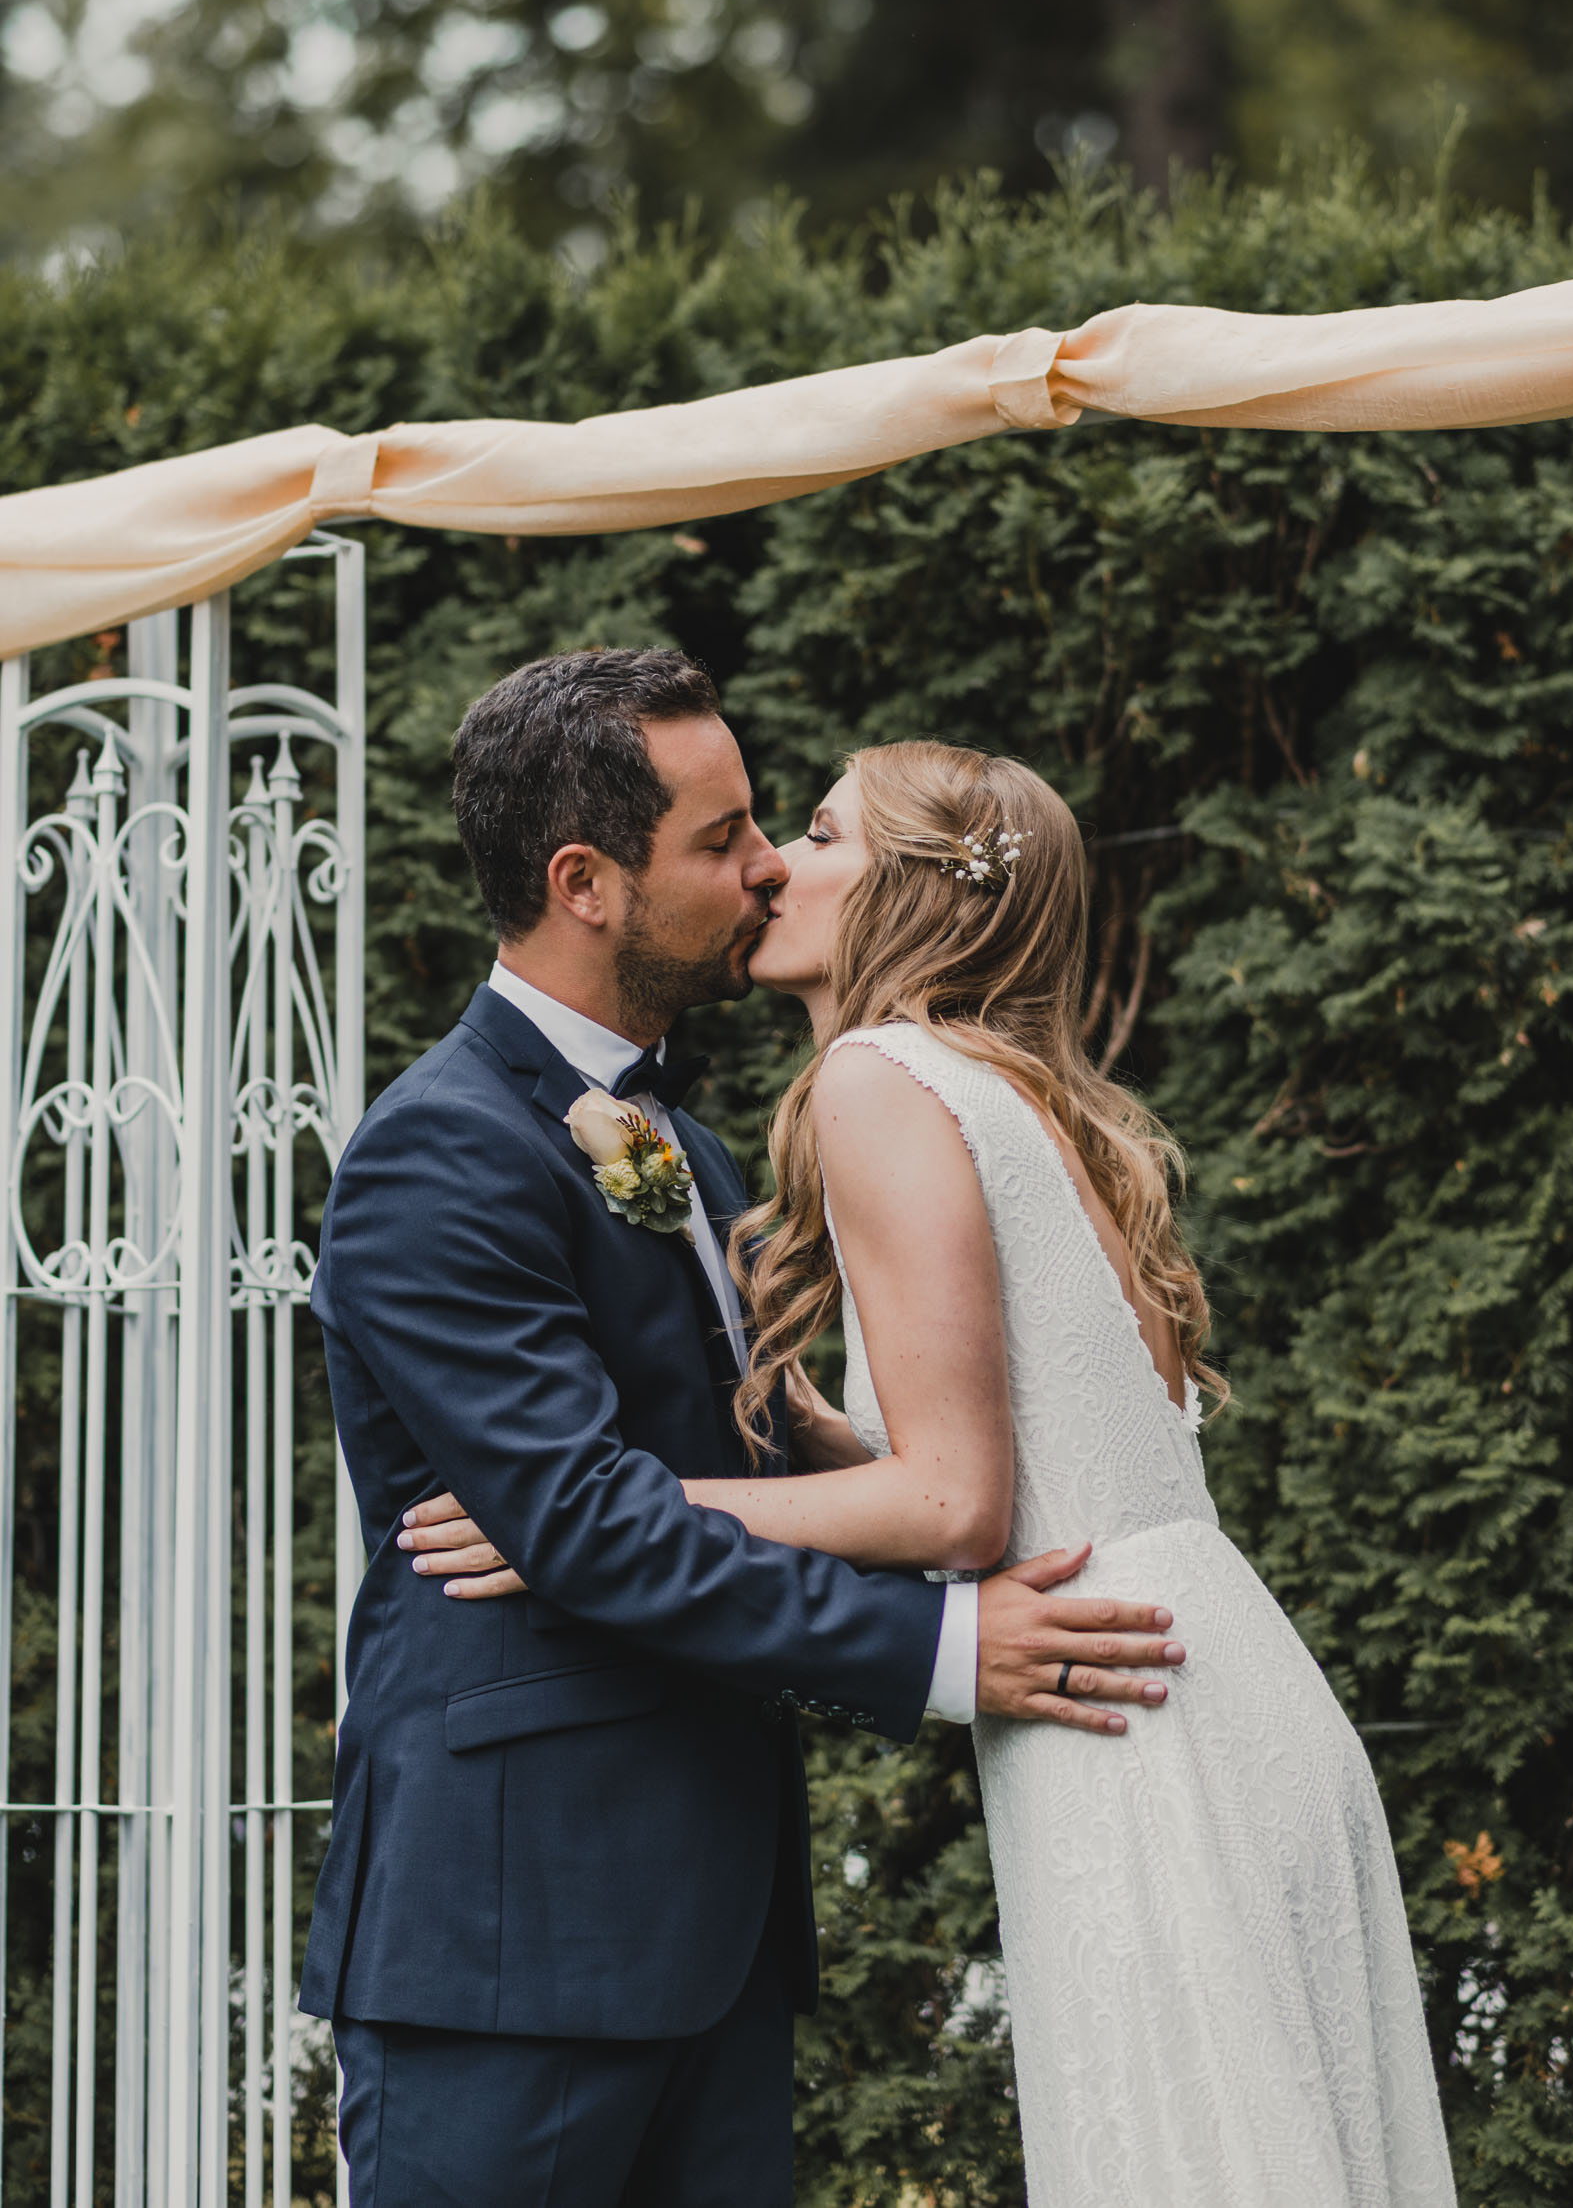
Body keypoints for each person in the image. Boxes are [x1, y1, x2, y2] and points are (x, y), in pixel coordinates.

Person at [413, 735, 1460, 2208]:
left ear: (914, 892)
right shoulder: (1021, 1093)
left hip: (1115, 1691)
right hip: (1208, 1673)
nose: (775, 863)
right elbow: (986, 1451)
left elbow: (956, 1505)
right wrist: (789, 1441)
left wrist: (585, 1520)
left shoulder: (874, 1080)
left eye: (820, 834)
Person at [301, 651, 1189, 2208]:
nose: (768, 864)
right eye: (723, 840)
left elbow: (753, 1479)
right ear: (585, 882)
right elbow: (584, 1523)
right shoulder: (435, 1154)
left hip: (708, 1932)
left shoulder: (690, 1150)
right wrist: (937, 1650)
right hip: (514, 1934)